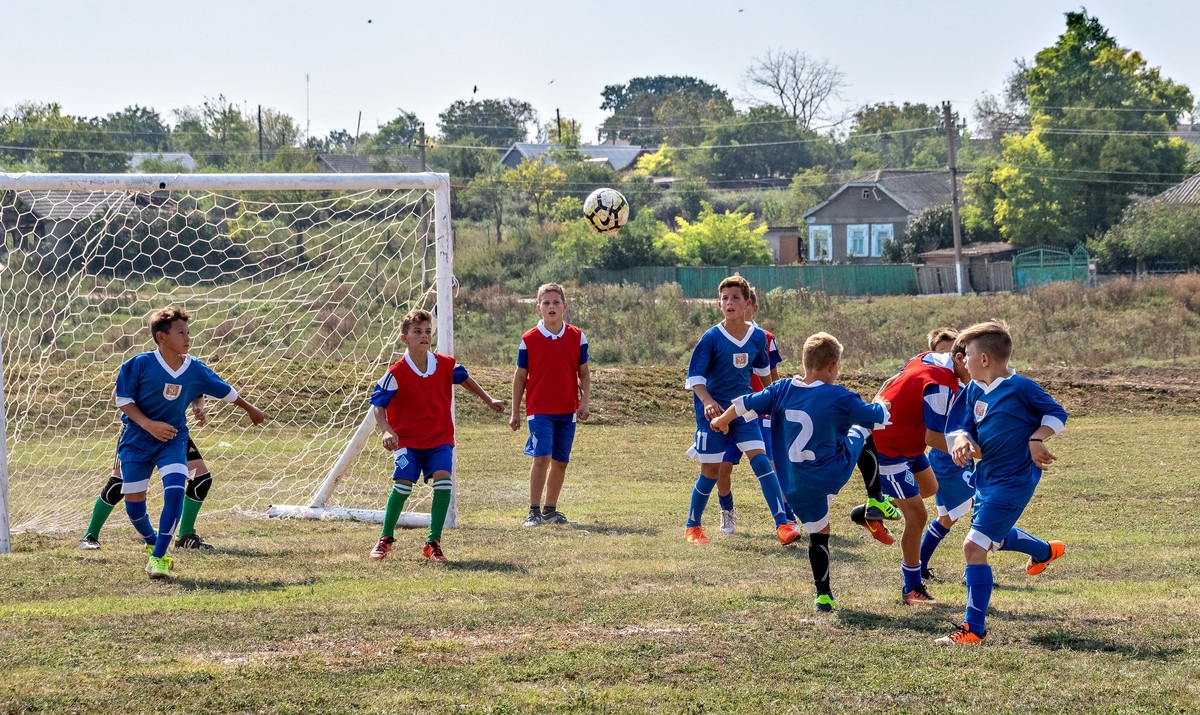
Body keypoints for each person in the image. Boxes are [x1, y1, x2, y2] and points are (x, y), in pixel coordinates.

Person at [712, 332, 889, 611]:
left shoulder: (781, 389)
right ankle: (876, 499)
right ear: (833, 366)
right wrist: (882, 404)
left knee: (819, 533)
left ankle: (823, 596)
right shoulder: (838, 395)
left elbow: (744, 403)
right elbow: (879, 418)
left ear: (805, 362)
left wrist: (722, 420)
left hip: (796, 486)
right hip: (831, 472)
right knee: (863, 429)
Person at [936, 319, 1068, 646]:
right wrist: (962, 440)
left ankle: (973, 629)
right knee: (993, 537)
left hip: (1015, 480)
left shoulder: (1020, 387)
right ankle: (1045, 551)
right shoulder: (973, 390)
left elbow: (1057, 414)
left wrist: (1036, 438)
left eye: (966, 354)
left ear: (984, 359)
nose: (962, 360)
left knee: (974, 546)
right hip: (987, 479)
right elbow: (961, 426)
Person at [114, 307, 266, 579]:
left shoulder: (193, 367)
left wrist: (250, 409)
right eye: (181, 333)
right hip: (137, 440)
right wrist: (149, 424)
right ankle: (152, 541)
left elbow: (224, 389)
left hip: (172, 439)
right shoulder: (138, 365)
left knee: (175, 490)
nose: (187, 338)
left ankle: (159, 557)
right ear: (161, 337)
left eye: (188, 332)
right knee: (134, 506)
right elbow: (123, 400)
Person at [368, 308, 505, 562]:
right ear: (404, 338)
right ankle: (385, 537)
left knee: (444, 480)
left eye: (428, 331)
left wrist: (489, 399)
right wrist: (387, 430)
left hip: (440, 438)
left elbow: (465, 378)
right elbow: (378, 406)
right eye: (417, 331)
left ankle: (433, 542)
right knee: (403, 485)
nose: (424, 335)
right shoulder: (396, 373)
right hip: (407, 441)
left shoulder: (444, 364)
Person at [683, 275, 799, 546]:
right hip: (712, 414)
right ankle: (693, 526)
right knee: (711, 471)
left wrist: (776, 404)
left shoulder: (757, 337)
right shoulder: (711, 338)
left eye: (735, 297)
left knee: (762, 461)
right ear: (718, 304)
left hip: (743, 410)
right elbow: (695, 378)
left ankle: (782, 524)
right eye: (724, 298)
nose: (729, 302)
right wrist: (708, 401)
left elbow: (765, 376)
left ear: (747, 304)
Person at [863, 344, 970, 606]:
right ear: (959, 358)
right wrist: (979, 452)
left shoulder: (930, 358)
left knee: (930, 487)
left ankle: (874, 507)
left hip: (907, 442)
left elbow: (891, 381)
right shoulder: (940, 384)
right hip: (890, 448)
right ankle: (912, 588)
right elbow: (933, 437)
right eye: (979, 361)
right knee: (917, 516)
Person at [712, 287, 794, 535]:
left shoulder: (764, 338)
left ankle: (786, 517)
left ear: (752, 307)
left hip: (760, 414)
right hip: (731, 412)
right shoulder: (718, 337)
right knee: (722, 468)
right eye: (728, 299)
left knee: (771, 464)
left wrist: (777, 405)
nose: (737, 306)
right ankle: (727, 511)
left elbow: (772, 376)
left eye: (742, 302)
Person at [509, 283, 591, 527]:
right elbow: (520, 377)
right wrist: (515, 412)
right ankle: (533, 511)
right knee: (542, 456)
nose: (551, 307)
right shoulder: (529, 339)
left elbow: (584, 372)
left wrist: (584, 401)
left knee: (561, 461)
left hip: (567, 409)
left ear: (565, 306)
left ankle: (550, 510)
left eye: (556, 302)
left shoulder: (577, 336)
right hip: (539, 409)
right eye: (546, 303)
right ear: (539, 308)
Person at [80, 407, 217, 551]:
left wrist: (198, 404)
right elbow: (117, 397)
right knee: (118, 484)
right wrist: (146, 423)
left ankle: (185, 536)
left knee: (201, 479)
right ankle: (90, 535)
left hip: (171, 431)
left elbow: (196, 393)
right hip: (136, 432)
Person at [919, 328, 976, 581]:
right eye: (943, 352)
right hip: (947, 460)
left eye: (955, 351)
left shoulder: (967, 384)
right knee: (984, 508)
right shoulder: (939, 388)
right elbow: (932, 434)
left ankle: (918, 566)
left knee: (946, 518)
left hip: (960, 459)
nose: (952, 357)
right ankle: (1041, 551)